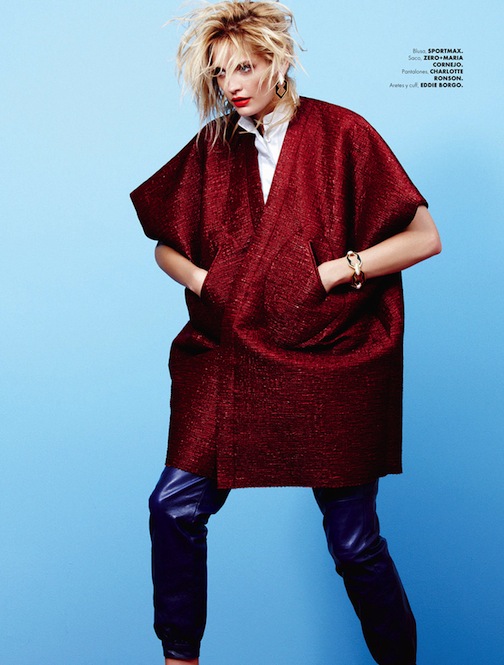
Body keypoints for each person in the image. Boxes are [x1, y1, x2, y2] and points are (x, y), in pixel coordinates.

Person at [130, 2, 441, 663]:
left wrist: (334, 271)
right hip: (231, 354)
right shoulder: (215, 147)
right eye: (220, 74)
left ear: (278, 61)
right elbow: (164, 246)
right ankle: (179, 658)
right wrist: (208, 282)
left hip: (334, 355)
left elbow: (425, 237)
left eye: (245, 67)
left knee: (355, 545)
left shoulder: (342, 133)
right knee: (173, 507)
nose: (233, 85)